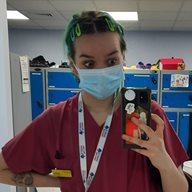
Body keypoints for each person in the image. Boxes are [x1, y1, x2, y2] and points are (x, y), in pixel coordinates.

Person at [0, 11, 189, 192]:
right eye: (89, 63)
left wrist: (163, 161)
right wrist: (59, 181)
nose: (101, 70)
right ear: (73, 66)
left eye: (111, 60)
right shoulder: (56, 120)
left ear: (123, 58)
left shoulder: (148, 115)